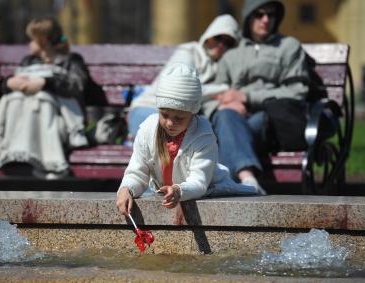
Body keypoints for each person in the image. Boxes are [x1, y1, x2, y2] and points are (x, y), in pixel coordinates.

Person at [116, 63, 259, 216]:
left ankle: (252, 186)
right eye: (164, 115)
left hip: (209, 190)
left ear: (193, 114)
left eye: (179, 118)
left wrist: (179, 190)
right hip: (169, 193)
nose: (170, 123)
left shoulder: (203, 135)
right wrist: (127, 189)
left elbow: (199, 182)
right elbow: (137, 172)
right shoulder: (147, 130)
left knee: (248, 192)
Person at [209, 0, 310, 194]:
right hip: (232, 117)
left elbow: (297, 91)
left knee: (226, 128)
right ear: (248, 17)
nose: (265, 20)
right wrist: (222, 106)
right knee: (225, 117)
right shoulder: (232, 53)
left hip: (268, 118)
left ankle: (231, 184)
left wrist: (247, 96)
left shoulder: (288, 47)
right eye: (259, 14)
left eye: (271, 15)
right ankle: (248, 179)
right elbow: (217, 92)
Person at [0, 17, 90, 179]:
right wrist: (9, 83)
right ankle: (18, 155)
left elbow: (76, 85)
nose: (28, 44)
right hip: (24, 117)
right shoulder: (28, 61)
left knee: (43, 99)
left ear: (43, 41)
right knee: (16, 99)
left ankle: (44, 161)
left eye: (31, 40)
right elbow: (12, 86)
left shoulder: (71, 61)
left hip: (58, 119)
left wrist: (46, 82)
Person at [126, 14, 239, 139]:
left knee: (200, 137)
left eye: (228, 43)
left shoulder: (220, 67)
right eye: (218, 38)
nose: (221, 45)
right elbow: (182, 89)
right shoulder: (189, 51)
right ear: (209, 36)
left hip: (176, 120)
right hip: (148, 109)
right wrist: (224, 90)